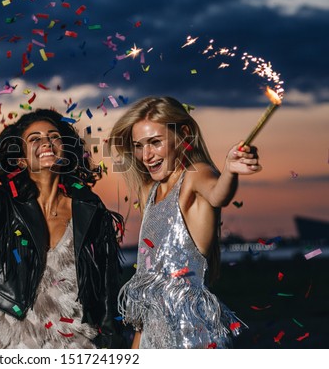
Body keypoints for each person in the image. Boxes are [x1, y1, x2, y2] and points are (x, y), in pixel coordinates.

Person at [0, 108, 125, 349]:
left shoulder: (89, 208)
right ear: (21, 159)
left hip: (79, 341)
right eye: (35, 139)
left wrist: (112, 344)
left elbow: (107, 286)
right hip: (20, 341)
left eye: (53, 136)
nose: (46, 142)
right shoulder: (8, 205)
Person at [109, 96, 262, 349]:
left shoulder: (195, 175)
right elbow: (148, 294)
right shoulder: (149, 191)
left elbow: (218, 194)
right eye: (139, 146)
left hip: (190, 336)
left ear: (184, 135)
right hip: (151, 336)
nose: (146, 155)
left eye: (155, 142)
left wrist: (230, 171)